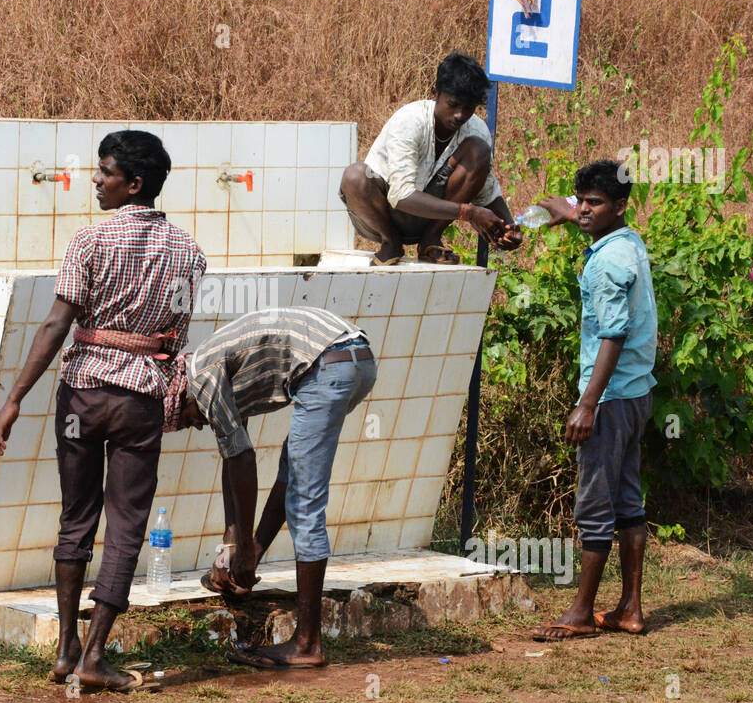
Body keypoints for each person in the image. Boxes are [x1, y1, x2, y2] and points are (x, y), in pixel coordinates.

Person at [0, 130, 206, 694]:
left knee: (76, 517)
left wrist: (13, 398)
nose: (96, 180)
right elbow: (174, 339)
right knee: (127, 526)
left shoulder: (88, 242)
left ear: (133, 184)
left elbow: (56, 325)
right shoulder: (188, 253)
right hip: (139, 399)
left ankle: (65, 648)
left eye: (105, 172)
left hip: (81, 395)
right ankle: (92, 655)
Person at [165, 306, 377, 669]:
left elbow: (242, 460)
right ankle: (250, 569)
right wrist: (235, 547)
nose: (195, 426)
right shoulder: (211, 373)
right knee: (293, 471)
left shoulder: (201, 377)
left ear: (182, 396)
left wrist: (243, 545)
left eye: (186, 421)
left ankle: (307, 644)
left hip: (328, 364)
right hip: (352, 357)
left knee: (304, 504)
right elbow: (234, 457)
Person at [530, 159, 657, 641]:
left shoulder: (606, 263)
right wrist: (571, 211)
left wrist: (587, 403)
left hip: (609, 398)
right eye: (579, 200)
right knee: (627, 500)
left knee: (595, 505)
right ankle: (630, 609)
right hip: (636, 393)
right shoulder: (627, 242)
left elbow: (613, 334)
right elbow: (589, 214)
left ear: (620, 206)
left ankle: (581, 613)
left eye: (594, 203)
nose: (583, 210)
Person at [339, 51, 522, 265]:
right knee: (355, 176)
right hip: (384, 215)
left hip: (430, 218)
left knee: (478, 150)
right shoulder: (410, 120)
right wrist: (468, 212)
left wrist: (508, 226)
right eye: (453, 104)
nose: (460, 115)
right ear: (435, 93)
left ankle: (430, 240)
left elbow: (487, 192)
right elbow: (401, 196)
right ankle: (391, 242)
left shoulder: (476, 130)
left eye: (468, 108)